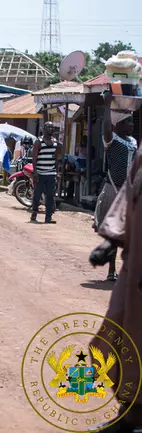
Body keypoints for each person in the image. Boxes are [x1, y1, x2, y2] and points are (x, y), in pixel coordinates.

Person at [87, 128, 142, 433]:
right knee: (118, 330)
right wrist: (110, 241)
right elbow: (127, 195)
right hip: (134, 266)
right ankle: (131, 411)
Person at [93, 91, 138, 281]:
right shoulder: (110, 140)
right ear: (117, 124)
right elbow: (106, 127)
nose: (132, 124)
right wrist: (107, 105)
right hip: (113, 189)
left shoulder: (132, 142)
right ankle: (111, 270)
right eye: (128, 121)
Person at [30, 121, 62, 224]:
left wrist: (57, 172)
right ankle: (34, 213)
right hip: (40, 173)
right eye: (49, 127)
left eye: (52, 128)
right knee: (37, 195)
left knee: (50, 196)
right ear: (44, 129)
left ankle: (48, 218)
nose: (51, 129)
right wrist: (34, 172)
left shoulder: (55, 142)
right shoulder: (38, 142)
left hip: (51, 173)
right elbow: (34, 158)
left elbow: (56, 158)